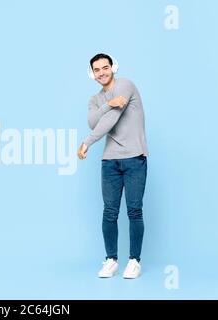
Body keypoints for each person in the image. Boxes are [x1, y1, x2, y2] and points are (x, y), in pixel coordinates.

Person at [77, 53, 149, 279]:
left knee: (134, 210)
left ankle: (134, 261)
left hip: (134, 157)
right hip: (110, 161)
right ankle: (111, 260)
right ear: (92, 74)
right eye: (97, 70)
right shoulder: (95, 99)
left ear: (113, 67)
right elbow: (92, 121)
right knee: (109, 212)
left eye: (105, 68)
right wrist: (107, 103)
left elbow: (109, 121)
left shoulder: (126, 85)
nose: (102, 73)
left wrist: (87, 142)